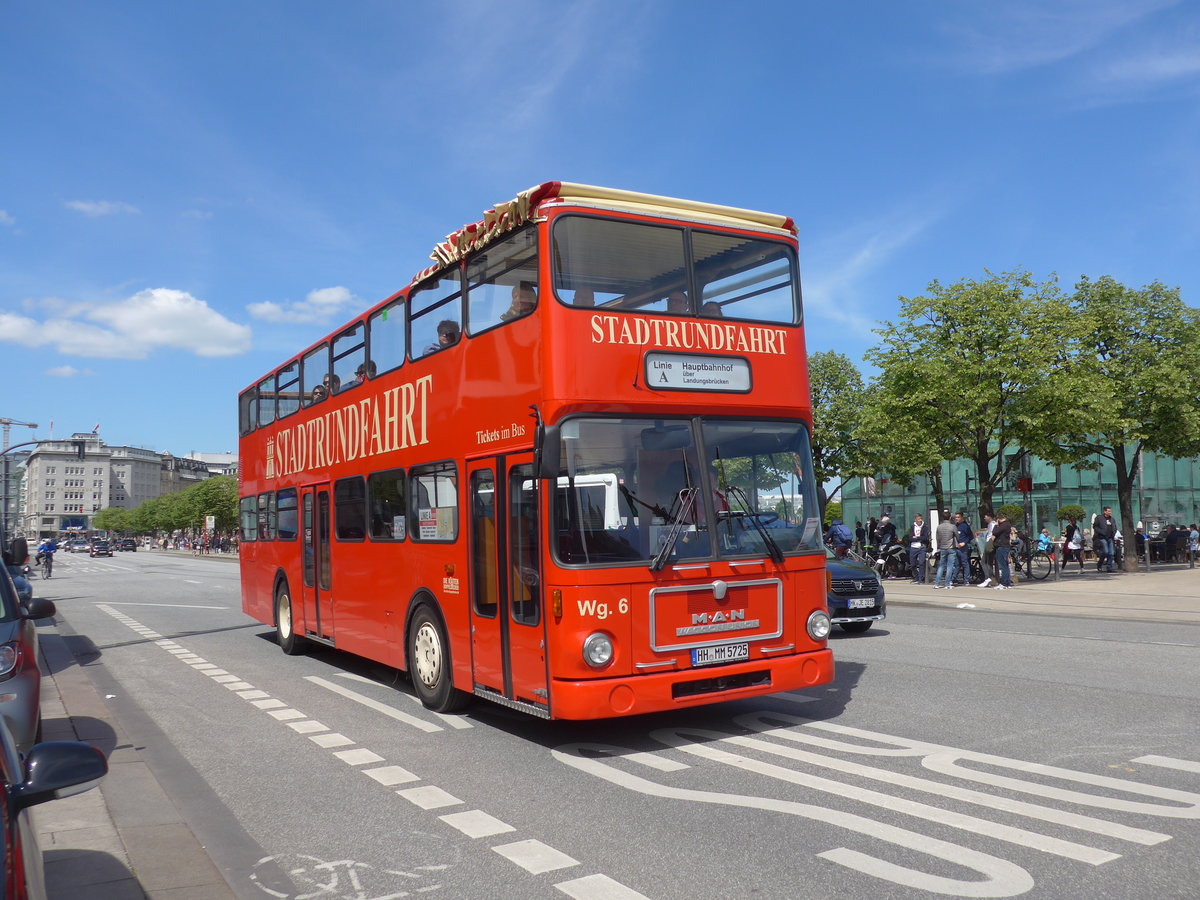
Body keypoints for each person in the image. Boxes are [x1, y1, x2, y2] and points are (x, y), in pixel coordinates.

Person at [933, 514, 958, 589]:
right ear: (950, 517)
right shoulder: (952, 526)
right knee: (950, 566)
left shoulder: (939, 527)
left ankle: (937, 583)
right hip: (951, 547)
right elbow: (957, 536)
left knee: (941, 566)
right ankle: (947, 584)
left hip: (943, 548)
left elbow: (937, 538)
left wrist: (939, 546)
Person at [904, 513, 931, 584]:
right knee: (912, 564)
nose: (920, 520)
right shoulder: (912, 527)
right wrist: (918, 538)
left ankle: (921, 578)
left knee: (921, 563)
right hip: (913, 547)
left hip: (922, 547)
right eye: (918, 519)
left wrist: (917, 537)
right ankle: (916, 577)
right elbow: (910, 538)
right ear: (915, 519)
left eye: (920, 519)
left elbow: (925, 537)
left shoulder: (925, 527)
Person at [992, 512, 1014, 589]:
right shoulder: (1007, 524)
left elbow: (994, 532)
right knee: (1005, 565)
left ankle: (1004, 583)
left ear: (998, 519)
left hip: (1002, 546)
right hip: (1005, 546)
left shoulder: (1003, 525)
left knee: (1003, 565)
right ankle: (1007, 583)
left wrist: (996, 525)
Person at [1092, 506, 1116, 573]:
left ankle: (1109, 567)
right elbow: (1095, 527)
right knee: (1105, 552)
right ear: (1105, 511)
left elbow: (1115, 527)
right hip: (1102, 537)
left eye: (1110, 511)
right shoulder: (1099, 518)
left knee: (1111, 553)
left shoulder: (1112, 519)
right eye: (1108, 511)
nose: (1110, 512)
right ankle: (1099, 564)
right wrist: (1101, 532)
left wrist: (1114, 532)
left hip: (1110, 538)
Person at [953, 511, 974, 585]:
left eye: (958, 517)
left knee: (965, 563)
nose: (956, 519)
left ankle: (966, 580)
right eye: (956, 517)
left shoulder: (965, 526)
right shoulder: (956, 526)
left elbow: (971, 536)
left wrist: (964, 542)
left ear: (962, 517)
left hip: (963, 548)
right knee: (957, 564)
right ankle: (954, 579)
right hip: (956, 547)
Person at [977, 512, 997, 587]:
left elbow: (992, 535)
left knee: (983, 561)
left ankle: (987, 577)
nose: (984, 518)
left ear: (989, 517)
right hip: (989, 543)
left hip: (989, 543)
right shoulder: (990, 524)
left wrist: (989, 542)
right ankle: (989, 578)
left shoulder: (992, 524)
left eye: (985, 516)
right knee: (989, 562)